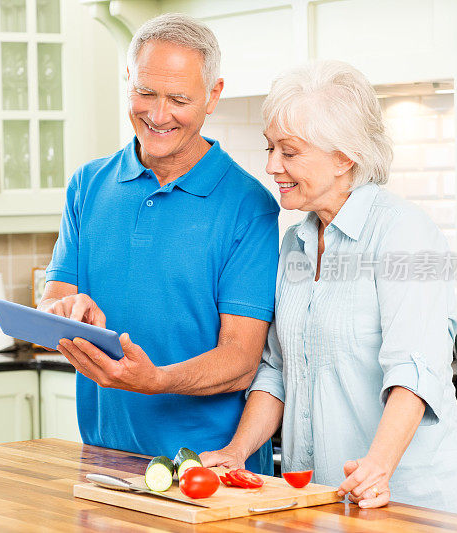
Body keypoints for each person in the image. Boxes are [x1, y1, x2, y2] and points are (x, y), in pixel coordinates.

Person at [200, 60, 457, 515]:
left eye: (288, 152)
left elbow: (415, 371)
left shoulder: (402, 234)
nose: (272, 166)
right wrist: (236, 452)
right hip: (317, 497)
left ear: (344, 156)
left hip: (406, 501)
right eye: (270, 148)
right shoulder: (296, 240)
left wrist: (377, 467)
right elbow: (276, 369)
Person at [37, 13, 280, 473]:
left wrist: (154, 380)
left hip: (212, 470)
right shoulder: (88, 185)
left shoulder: (250, 207)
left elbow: (242, 360)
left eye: (179, 99)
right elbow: (54, 299)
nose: (158, 114)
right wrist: (62, 316)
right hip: (106, 459)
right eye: (145, 92)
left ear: (213, 96)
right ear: (128, 80)